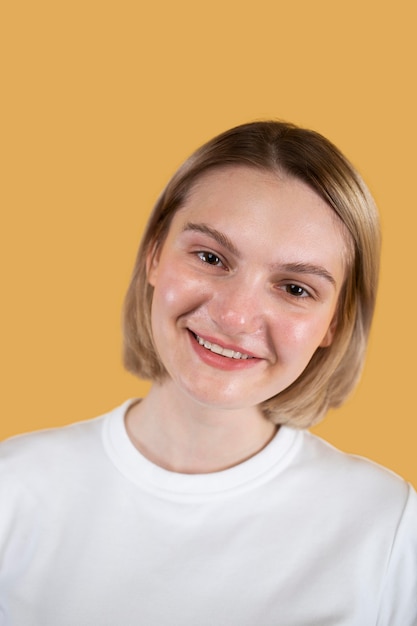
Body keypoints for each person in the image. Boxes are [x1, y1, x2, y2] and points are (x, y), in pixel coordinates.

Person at [1, 121, 416, 626]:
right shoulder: (14, 487)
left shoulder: (391, 528)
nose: (235, 316)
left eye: (295, 288)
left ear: (335, 323)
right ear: (154, 254)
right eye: (210, 257)